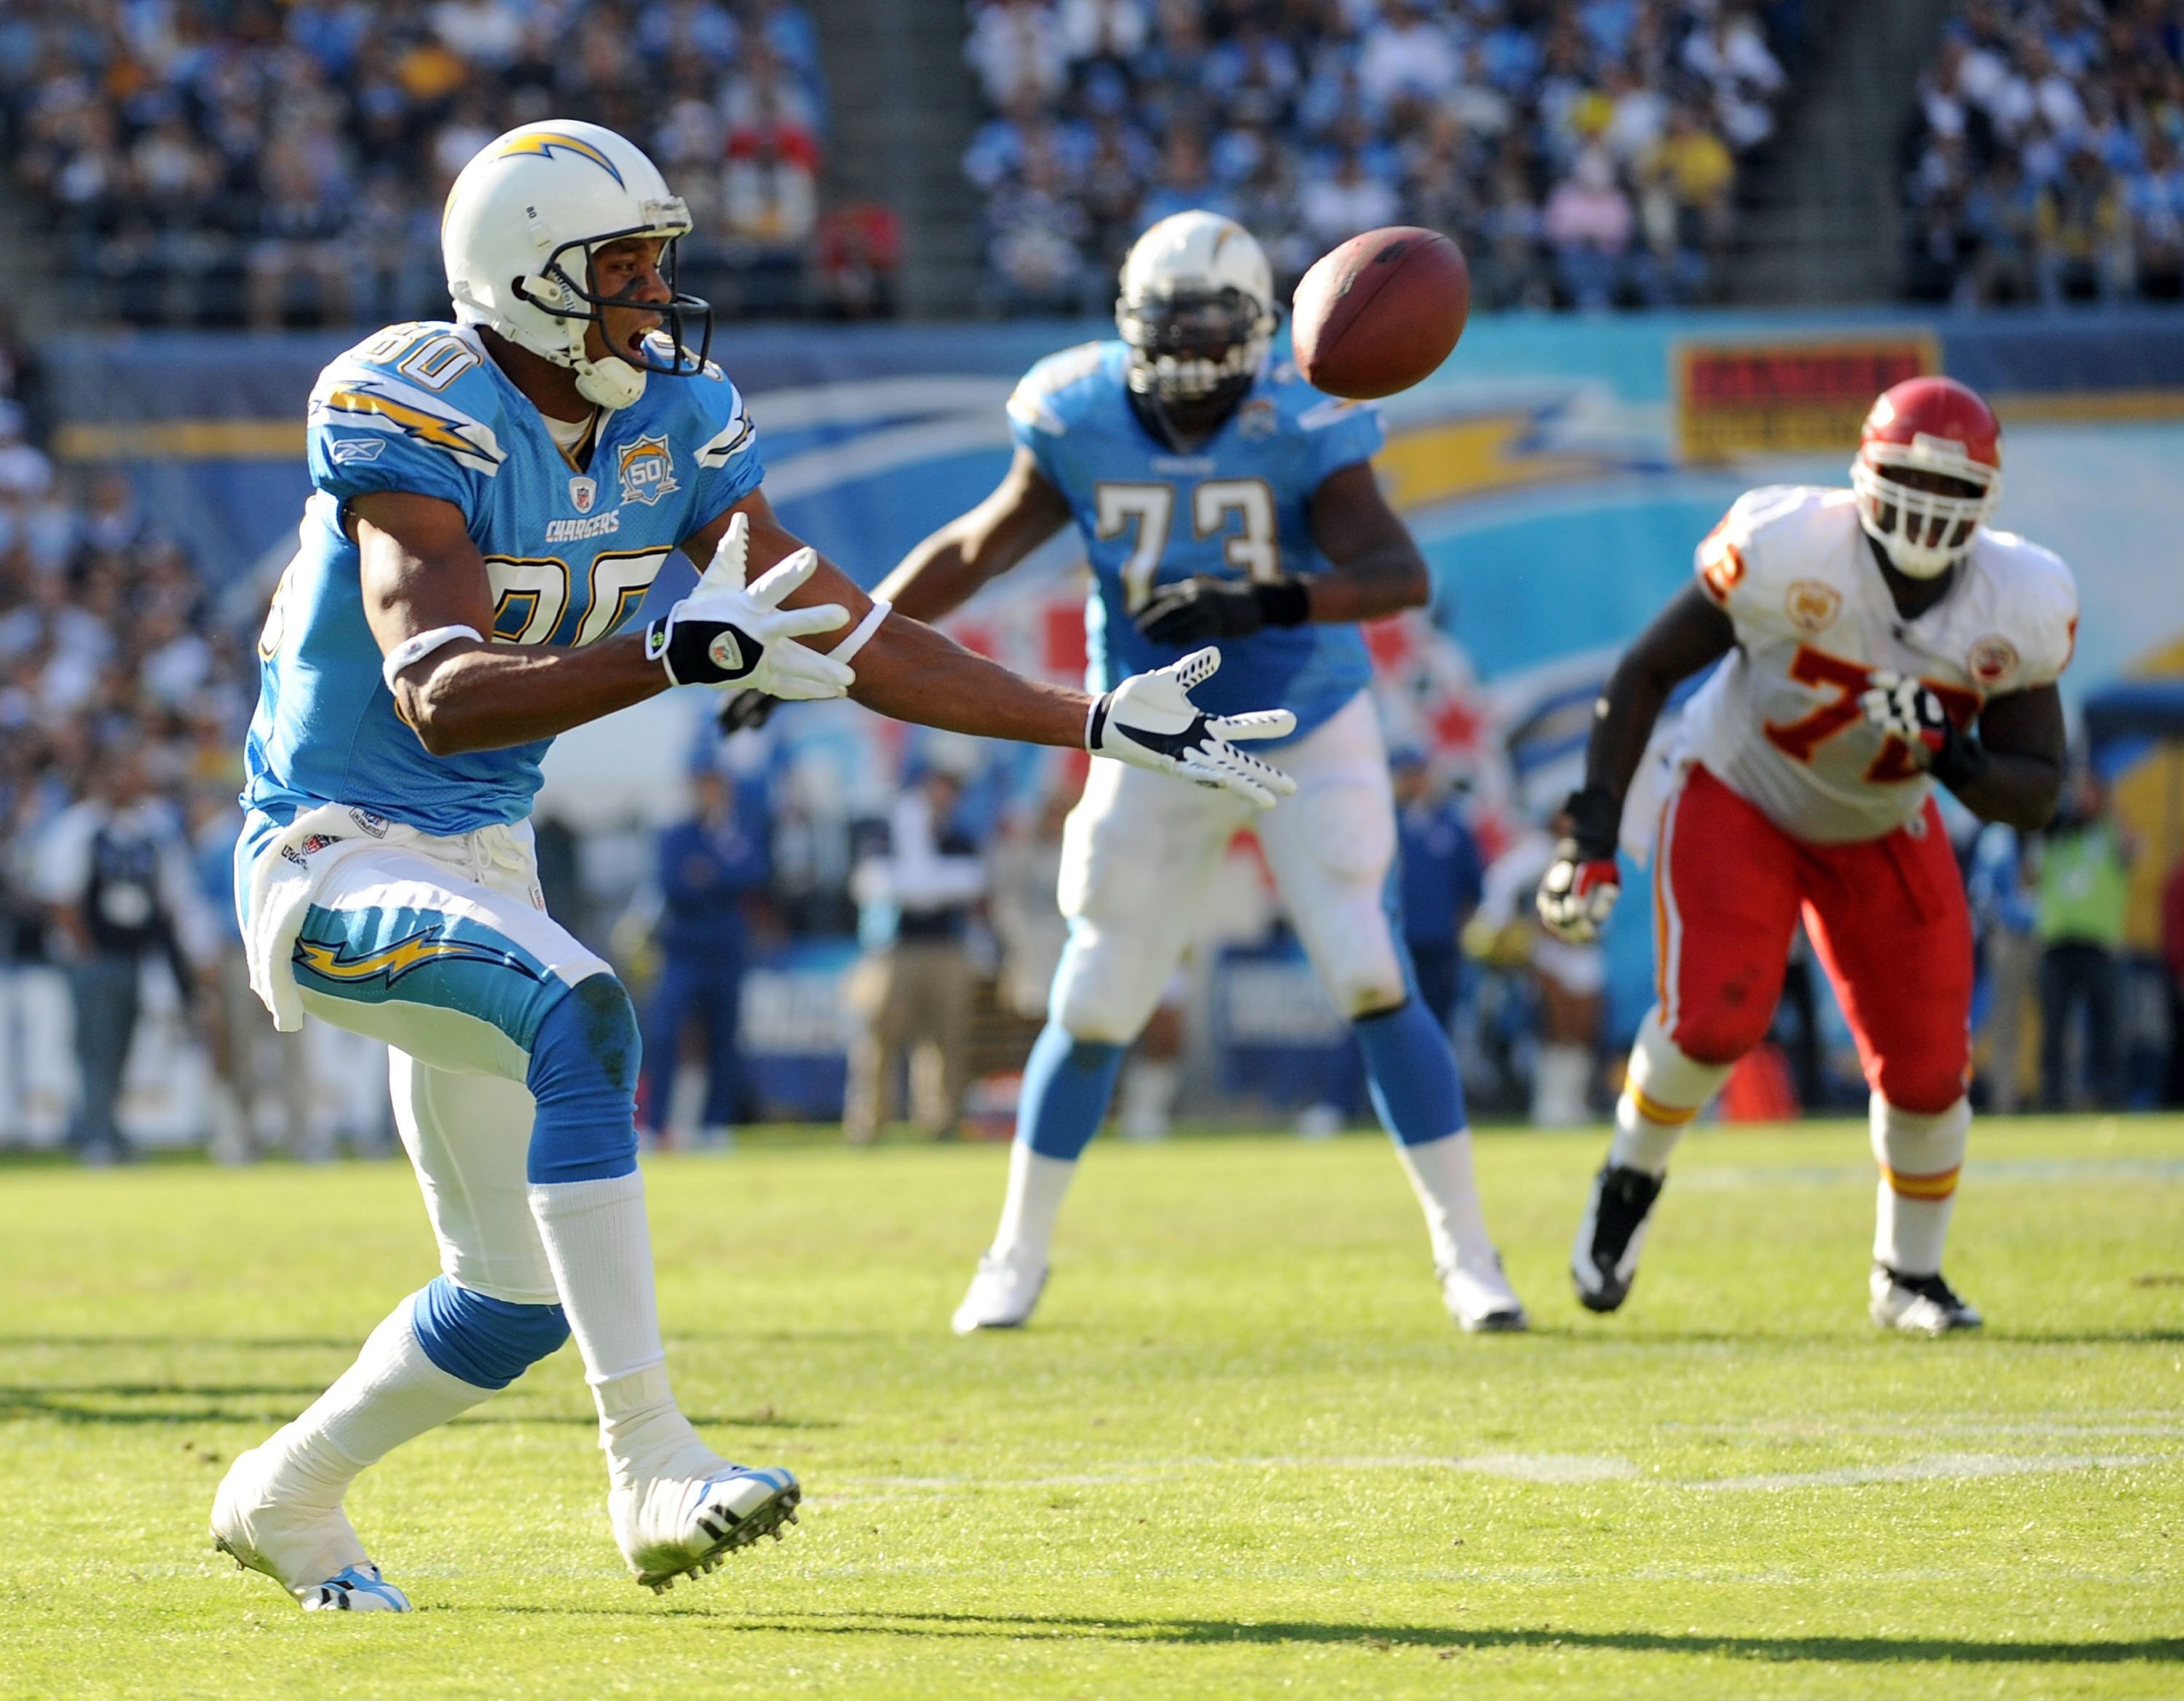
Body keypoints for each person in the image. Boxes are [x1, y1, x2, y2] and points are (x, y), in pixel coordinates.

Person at [213, 122, 1298, 1617]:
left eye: (661, 263)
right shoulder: (417, 406)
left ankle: (283, 1492)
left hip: (481, 862)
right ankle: (650, 1463)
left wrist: (1094, 720)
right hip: (332, 854)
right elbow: (440, 691)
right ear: (526, 281)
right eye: (625, 268)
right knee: (584, 1011)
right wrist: (665, 648)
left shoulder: (672, 421)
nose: (656, 299)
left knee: (512, 1295)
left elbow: (844, 631)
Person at [863, 210, 1528, 1335]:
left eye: (1208, 332)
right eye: (1167, 333)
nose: (1185, 362)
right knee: (1097, 990)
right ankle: (1015, 1257)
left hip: (1307, 718)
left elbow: (1396, 573)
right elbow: (978, 548)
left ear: (1260, 330)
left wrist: (1267, 598)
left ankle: (1471, 1259)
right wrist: (847, 636)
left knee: (1369, 969)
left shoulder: (1307, 412)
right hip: (1152, 727)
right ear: (1129, 328)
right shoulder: (1076, 412)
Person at [1538, 376, 2076, 1336]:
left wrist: (1951, 753)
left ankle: (1909, 1277)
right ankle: (1629, 1177)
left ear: (1988, 504)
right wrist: (1592, 832)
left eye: (1952, 490)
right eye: (1909, 479)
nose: (1926, 508)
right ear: (1862, 476)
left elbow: (2035, 790)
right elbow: (1649, 668)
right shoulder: (1788, 545)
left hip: (1880, 818)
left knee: (1926, 1071)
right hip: (1741, 790)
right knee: (1712, 1021)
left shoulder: (2018, 598)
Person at [36, 744, 213, 1165]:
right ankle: (96, 1135)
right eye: (116, 774)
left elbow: (172, 895)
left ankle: (109, 1129)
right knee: (95, 1045)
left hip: (137, 956)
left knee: (124, 1044)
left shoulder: (152, 829)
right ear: (99, 781)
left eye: (131, 774)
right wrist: (84, 948)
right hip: (95, 956)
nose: (124, 783)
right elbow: (61, 897)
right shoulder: (80, 828)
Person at [842, 765, 985, 1142]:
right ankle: (868, 1121)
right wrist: (930, 879)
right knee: (878, 1038)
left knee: (944, 1039)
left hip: (946, 950)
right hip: (894, 949)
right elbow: (872, 881)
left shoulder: (958, 834)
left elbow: (972, 881)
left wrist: (918, 878)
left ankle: (940, 1120)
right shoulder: (886, 830)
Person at [641, 767, 768, 1149]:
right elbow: (674, 883)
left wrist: (710, 875)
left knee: (723, 1036)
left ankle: (716, 1124)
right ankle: (654, 1124)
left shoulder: (737, 832)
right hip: (683, 950)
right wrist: (719, 877)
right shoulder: (677, 833)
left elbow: (755, 874)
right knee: (665, 1035)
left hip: (725, 952)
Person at [2034, 768, 2132, 1110]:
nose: (2082, 799)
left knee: (2106, 1028)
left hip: (2099, 943)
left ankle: (2109, 1097)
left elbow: (2129, 850)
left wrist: (2111, 808)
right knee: (2054, 1030)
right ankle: (2052, 1100)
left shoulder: (2108, 832)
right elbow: (2029, 877)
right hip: (2058, 942)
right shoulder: (2056, 834)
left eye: (2090, 792)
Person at [1390, 748, 1484, 1035]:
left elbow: (1473, 884)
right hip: (1396, 942)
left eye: (1418, 774)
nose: (1414, 782)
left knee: (1437, 1021)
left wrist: (1456, 926)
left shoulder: (1452, 826)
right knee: (1395, 1020)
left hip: (1440, 943)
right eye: (1408, 775)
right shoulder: (1385, 825)